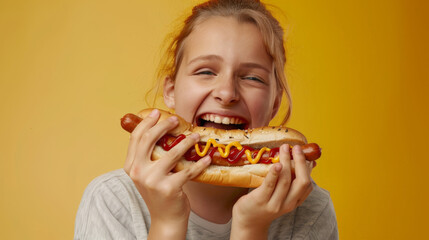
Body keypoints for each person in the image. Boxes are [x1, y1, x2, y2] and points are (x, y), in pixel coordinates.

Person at [74, 0, 338, 239]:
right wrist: (167, 223)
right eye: (205, 71)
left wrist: (251, 228)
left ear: (274, 104)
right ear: (171, 92)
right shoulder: (112, 200)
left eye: (252, 78)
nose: (226, 93)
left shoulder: (309, 208)